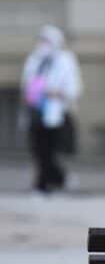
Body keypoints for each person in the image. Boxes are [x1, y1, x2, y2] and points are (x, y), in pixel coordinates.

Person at [20, 25, 82, 193]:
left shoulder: (65, 60)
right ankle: (58, 179)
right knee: (38, 149)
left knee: (49, 150)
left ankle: (43, 185)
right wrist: (31, 93)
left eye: (45, 40)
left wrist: (54, 92)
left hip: (54, 112)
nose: (42, 44)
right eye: (40, 40)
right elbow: (27, 83)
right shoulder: (34, 59)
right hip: (36, 111)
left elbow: (74, 89)